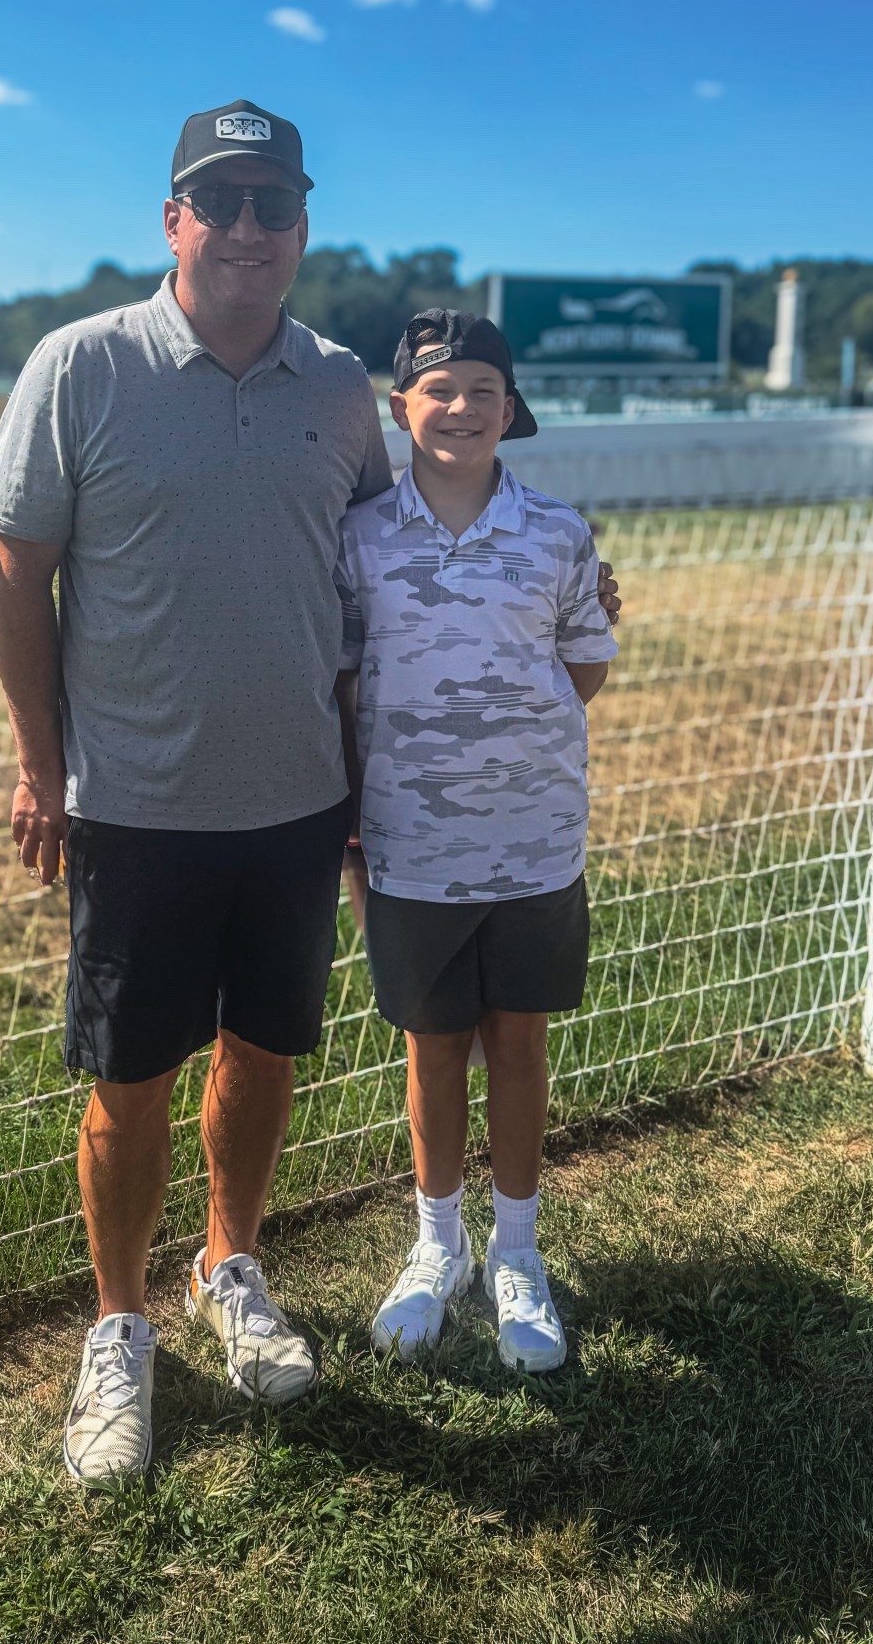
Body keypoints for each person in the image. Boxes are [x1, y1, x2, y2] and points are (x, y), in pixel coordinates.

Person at [0, 100, 394, 1484]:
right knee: (129, 1079)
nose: (249, 229)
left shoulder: (341, 389)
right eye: (220, 203)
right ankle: (117, 1327)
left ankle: (231, 1264)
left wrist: (561, 592)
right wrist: (45, 763)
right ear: (174, 220)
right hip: (137, 805)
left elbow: (389, 566)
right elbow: (16, 568)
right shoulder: (82, 367)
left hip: (296, 802)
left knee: (266, 1054)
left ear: (301, 225)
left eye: (274, 203)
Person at [335, 310, 618, 1373]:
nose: (461, 409)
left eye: (484, 391)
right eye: (439, 388)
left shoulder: (556, 531)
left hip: (534, 842)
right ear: (401, 404)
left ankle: (518, 1251)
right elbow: (346, 680)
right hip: (411, 845)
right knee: (432, 1048)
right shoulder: (359, 537)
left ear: (513, 411)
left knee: (520, 1044)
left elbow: (582, 666)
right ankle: (436, 1245)